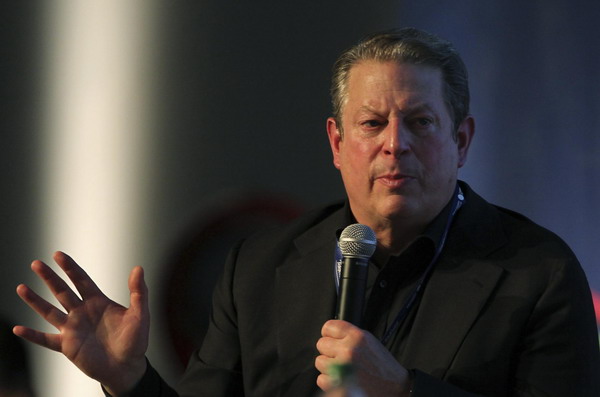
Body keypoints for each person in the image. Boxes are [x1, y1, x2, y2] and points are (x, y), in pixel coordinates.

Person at [13, 28, 599, 396]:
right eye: (372, 124)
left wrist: (402, 393)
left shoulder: (538, 273)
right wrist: (130, 380)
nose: (395, 144)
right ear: (337, 144)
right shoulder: (258, 269)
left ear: (462, 141)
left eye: (420, 122)